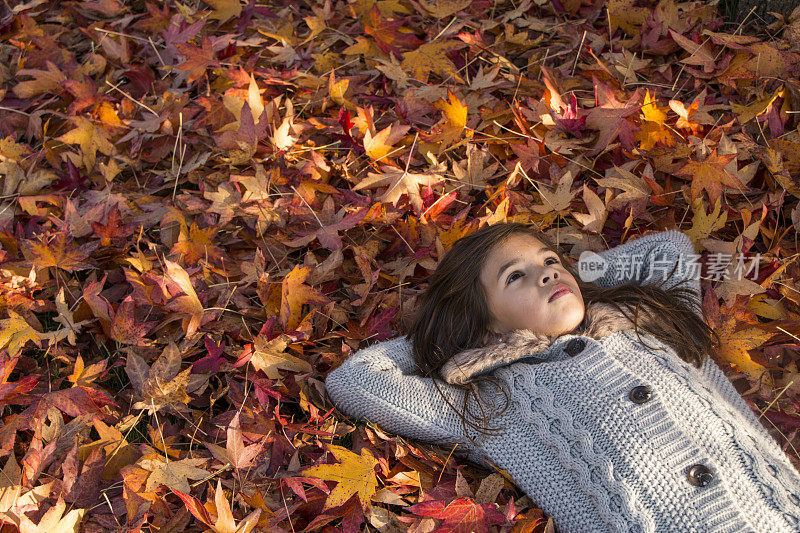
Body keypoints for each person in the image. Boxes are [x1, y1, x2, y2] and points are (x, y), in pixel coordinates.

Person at [325, 222, 800, 532]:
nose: (547, 275)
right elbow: (358, 380)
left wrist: (585, 289)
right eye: (516, 277)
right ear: (485, 320)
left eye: (551, 261)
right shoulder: (493, 399)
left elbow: (667, 249)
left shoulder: (649, 318)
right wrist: (454, 337)